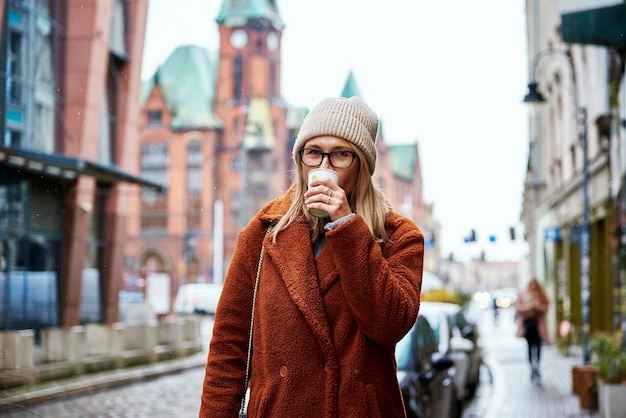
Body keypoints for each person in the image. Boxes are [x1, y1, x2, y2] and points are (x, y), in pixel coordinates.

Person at [199, 96, 425, 417]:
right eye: (313, 152)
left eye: (341, 155)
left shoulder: (399, 236)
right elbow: (228, 347)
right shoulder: (264, 231)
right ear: (299, 159)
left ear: (362, 165)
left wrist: (347, 226)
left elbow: (390, 325)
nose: (324, 167)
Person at [515, 278, 549, 382]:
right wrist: (529, 307)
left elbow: (546, 307)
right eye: (532, 285)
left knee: (538, 346)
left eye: (535, 285)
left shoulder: (541, 295)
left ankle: (537, 367)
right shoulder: (524, 294)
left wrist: (538, 307)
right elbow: (518, 307)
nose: (533, 287)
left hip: (537, 324)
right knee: (529, 347)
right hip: (528, 324)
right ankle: (532, 368)